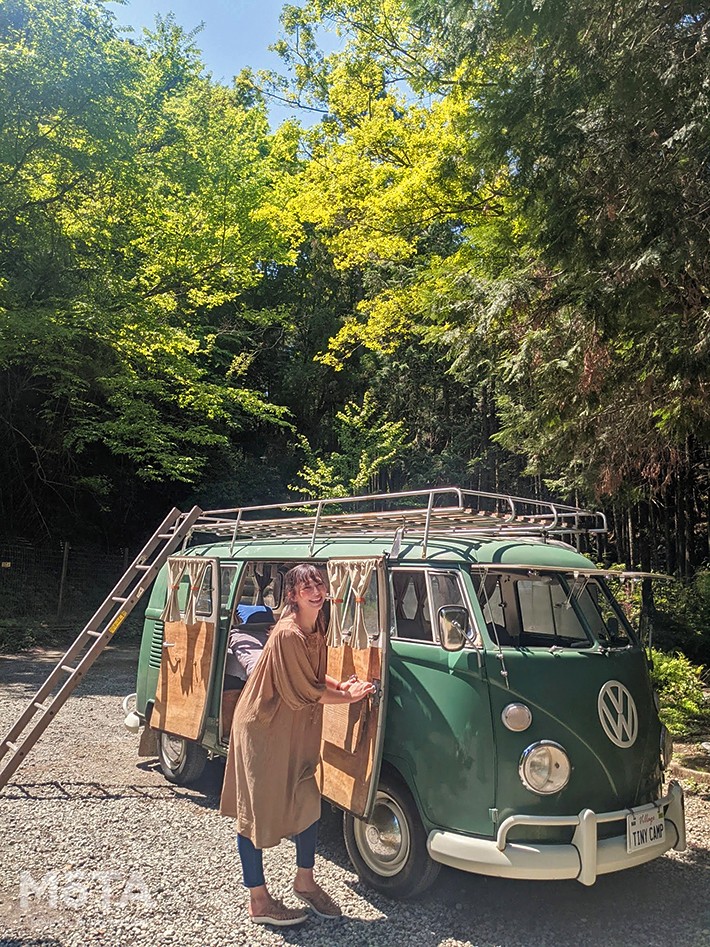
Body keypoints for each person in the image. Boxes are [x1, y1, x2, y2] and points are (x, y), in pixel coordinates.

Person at [219, 563, 375, 927]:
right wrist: (349, 698)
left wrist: (342, 687)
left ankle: (304, 882)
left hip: (294, 728)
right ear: (292, 595)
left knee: (307, 800)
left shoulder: (317, 624)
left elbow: (316, 675)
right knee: (255, 812)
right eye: (307, 588)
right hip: (263, 728)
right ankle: (258, 900)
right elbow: (307, 691)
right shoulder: (288, 633)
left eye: (319, 584)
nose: (316, 592)